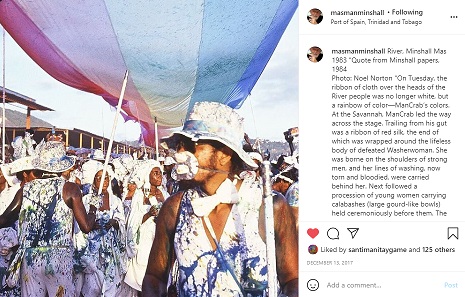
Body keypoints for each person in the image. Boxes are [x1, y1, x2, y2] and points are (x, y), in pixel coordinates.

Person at [142, 101, 298, 297]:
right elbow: (154, 277)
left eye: (191, 145)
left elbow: (293, 280)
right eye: (180, 145)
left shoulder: (268, 206)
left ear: (224, 154)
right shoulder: (175, 208)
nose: (181, 153)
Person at [0, 139, 97, 297]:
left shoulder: (26, 189)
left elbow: (5, 219)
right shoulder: (70, 188)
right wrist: (93, 209)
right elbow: (86, 226)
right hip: (59, 258)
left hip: (30, 258)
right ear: (62, 165)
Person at [73, 160, 127, 297]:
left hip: (111, 250)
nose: (105, 180)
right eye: (100, 178)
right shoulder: (85, 200)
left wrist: (114, 221)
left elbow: (122, 221)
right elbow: (80, 226)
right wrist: (91, 225)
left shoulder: (116, 200)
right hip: (92, 251)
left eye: (107, 177)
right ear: (93, 180)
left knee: (111, 284)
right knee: (92, 286)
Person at [124, 160, 168, 296]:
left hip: (160, 239)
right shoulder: (140, 195)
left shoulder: (163, 194)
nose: (159, 176)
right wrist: (149, 214)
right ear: (147, 176)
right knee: (144, 278)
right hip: (144, 241)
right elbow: (132, 221)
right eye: (155, 173)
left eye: (160, 173)